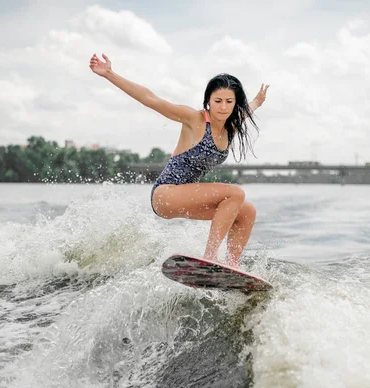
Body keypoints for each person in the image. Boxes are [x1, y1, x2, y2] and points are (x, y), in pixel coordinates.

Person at [89, 53, 269, 268]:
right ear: (208, 102)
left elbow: (246, 112)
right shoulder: (195, 119)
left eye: (229, 102)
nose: (223, 107)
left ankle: (231, 266)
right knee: (235, 193)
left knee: (247, 212)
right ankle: (210, 258)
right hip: (166, 194)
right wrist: (109, 73)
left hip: (188, 196)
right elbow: (151, 99)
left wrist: (257, 101)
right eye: (217, 101)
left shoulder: (231, 126)